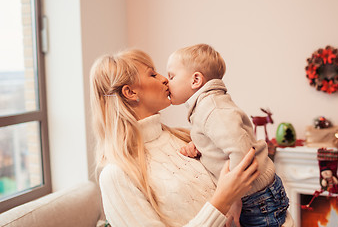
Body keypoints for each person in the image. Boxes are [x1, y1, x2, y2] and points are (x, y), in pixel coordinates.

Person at [90, 49, 260, 227]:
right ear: (130, 92)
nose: (164, 79)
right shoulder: (117, 175)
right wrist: (223, 200)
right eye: (152, 74)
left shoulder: (187, 138)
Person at [166, 44, 290, 227]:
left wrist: (233, 198)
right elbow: (222, 138)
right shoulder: (208, 106)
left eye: (171, 76)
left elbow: (241, 151)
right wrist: (199, 144)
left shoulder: (211, 108)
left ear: (196, 80)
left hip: (256, 199)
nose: (167, 82)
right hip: (257, 196)